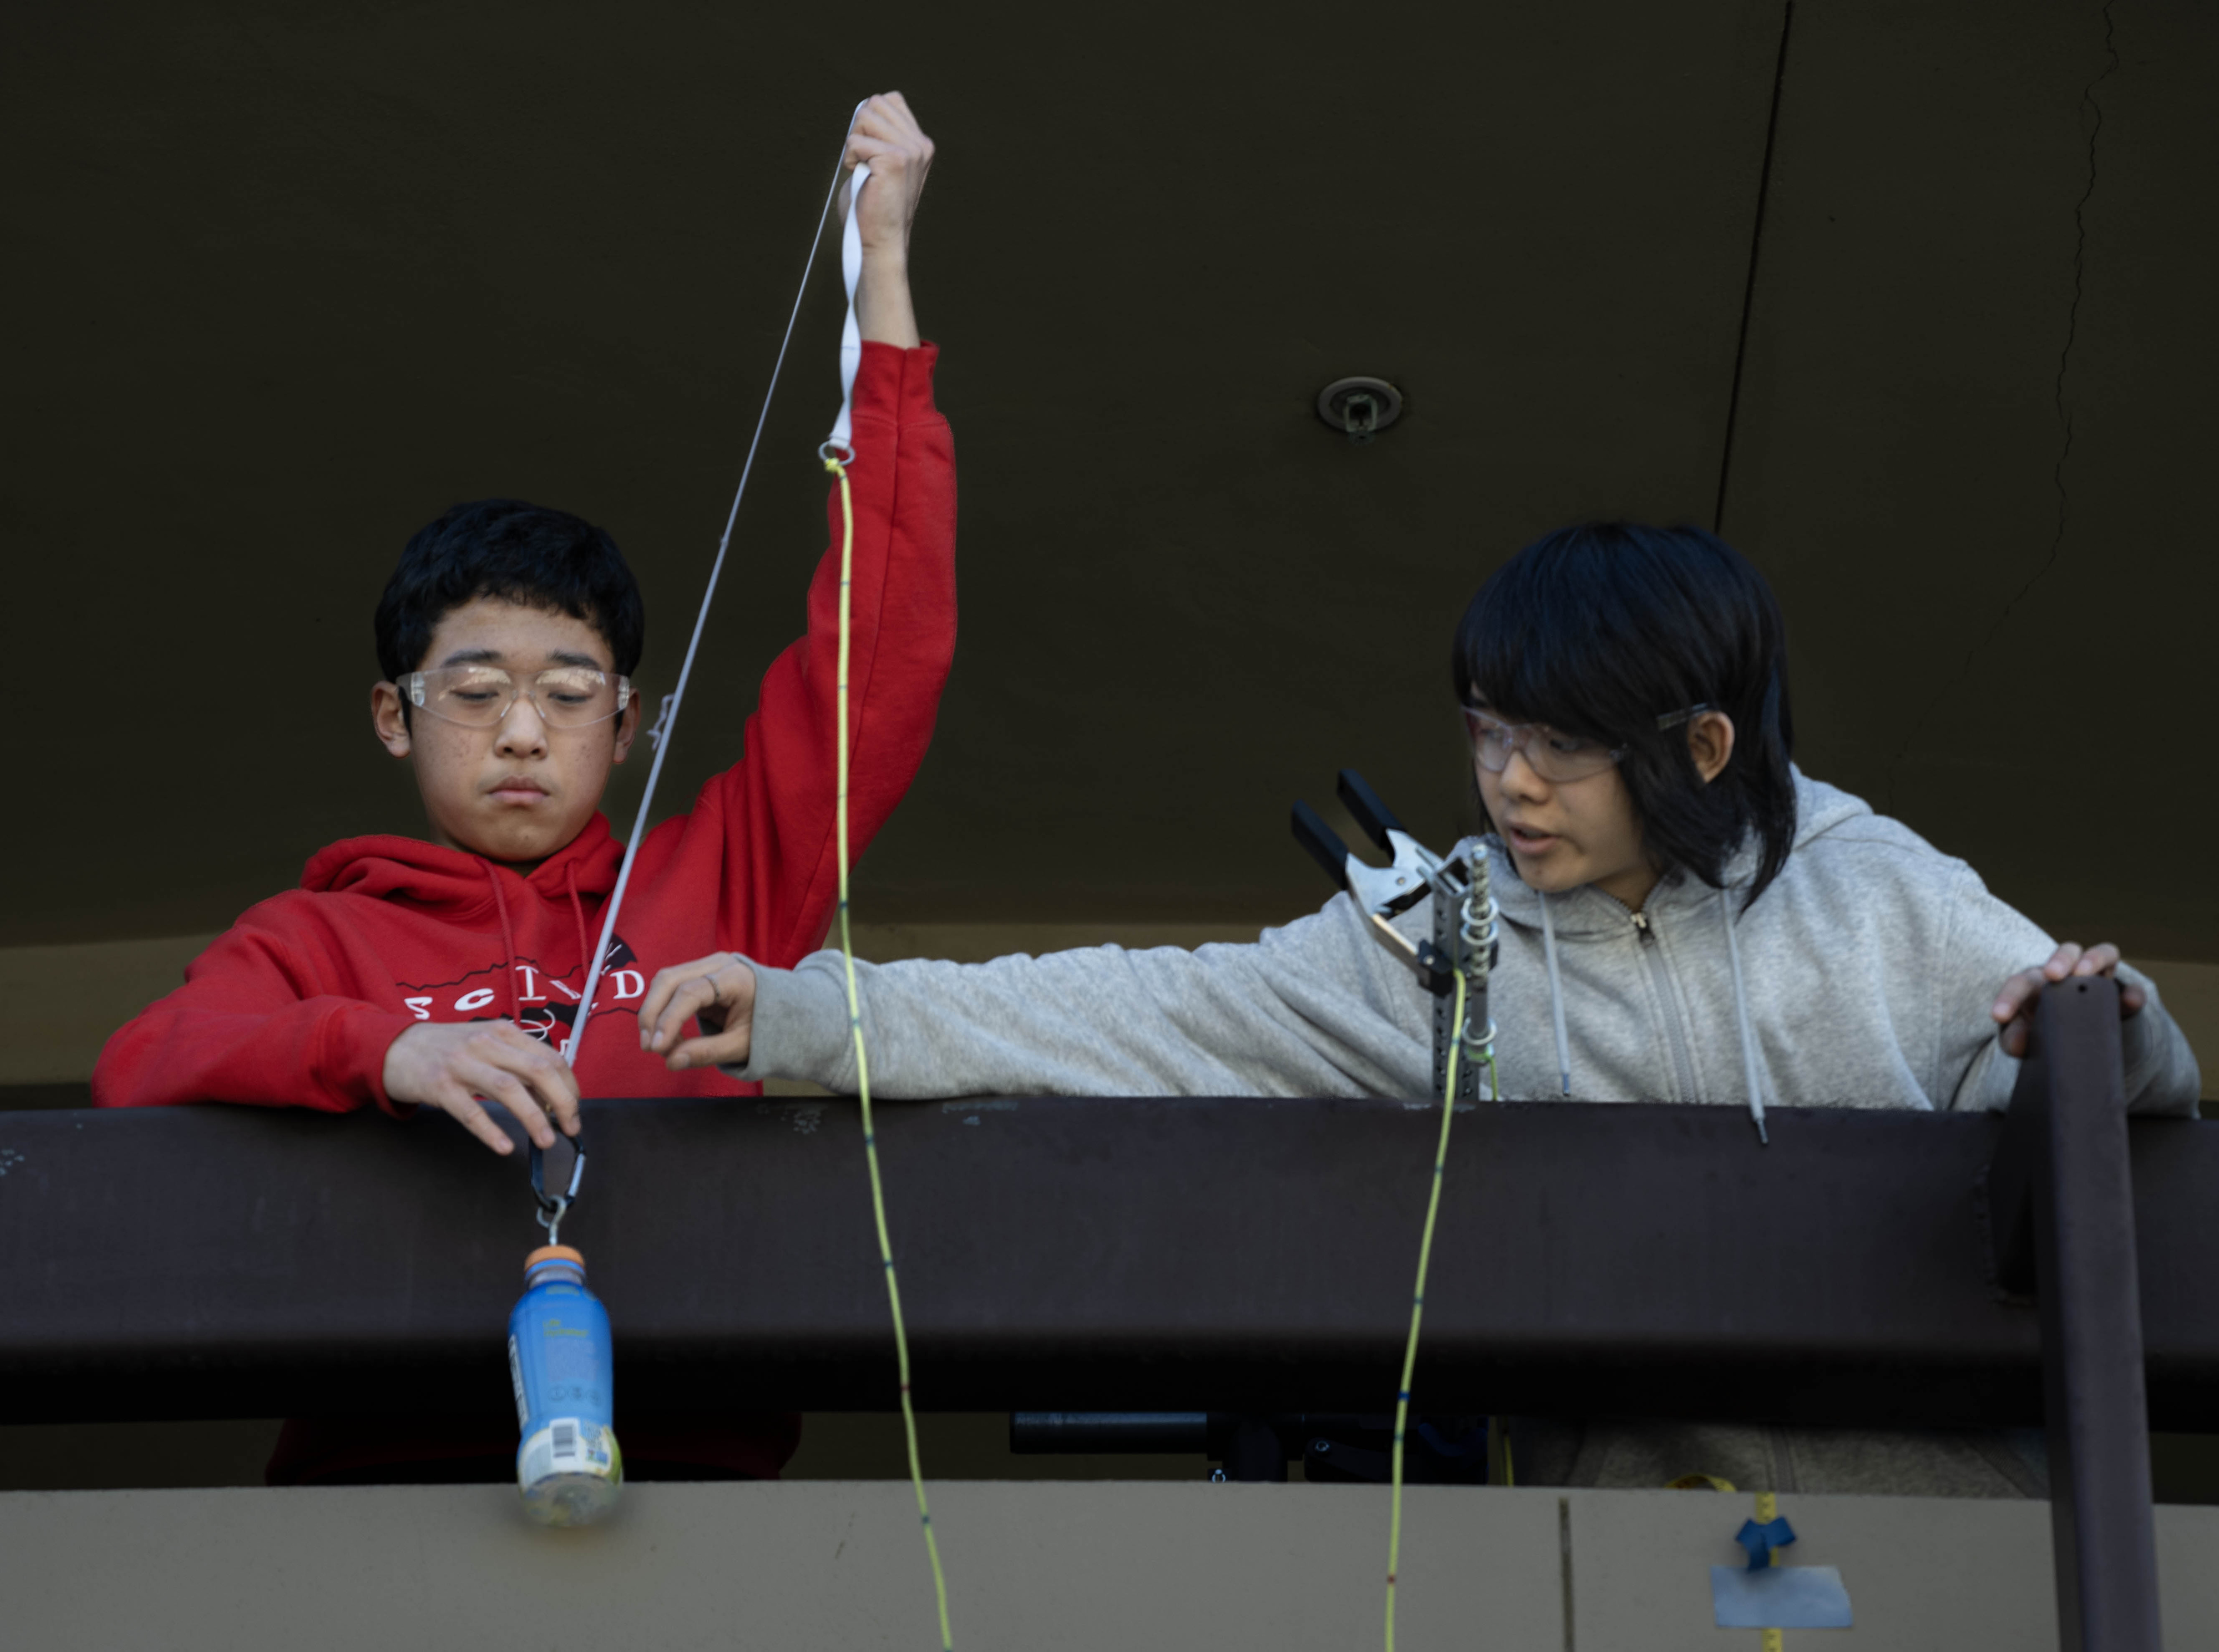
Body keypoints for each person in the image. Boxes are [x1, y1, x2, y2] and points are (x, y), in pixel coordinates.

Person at [635, 520, 2201, 1497]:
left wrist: (2103, 1025)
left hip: (1945, 1526)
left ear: (1705, 746)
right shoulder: (1441, 930)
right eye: (1486, 732)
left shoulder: (1882, 892)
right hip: (1609, 1542)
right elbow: (1140, 1012)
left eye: (1558, 747)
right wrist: (800, 1015)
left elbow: (2120, 1078)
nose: (1509, 782)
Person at [94, 94, 949, 1484]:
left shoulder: (720, 883)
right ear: (395, 715)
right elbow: (143, 1065)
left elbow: (885, 653)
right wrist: (386, 1052)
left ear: (628, 725)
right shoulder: (315, 942)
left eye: (566, 695)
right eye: (474, 691)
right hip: (376, 1512)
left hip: (700, 1502)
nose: (519, 734)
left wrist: (887, 268)